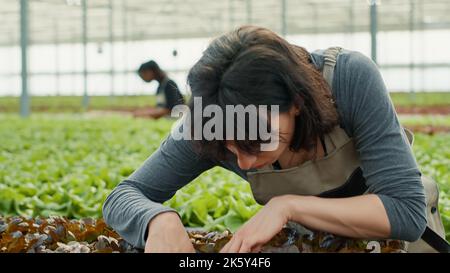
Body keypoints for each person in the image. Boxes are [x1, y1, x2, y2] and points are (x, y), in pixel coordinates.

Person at [103, 26, 447, 253]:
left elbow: (404, 211)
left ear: (296, 102)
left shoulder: (348, 79)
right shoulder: (210, 119)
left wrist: (288, 205)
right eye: (227, 145)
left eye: (256, 141)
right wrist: (156, 220)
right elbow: (123, 196)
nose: (243, 162)